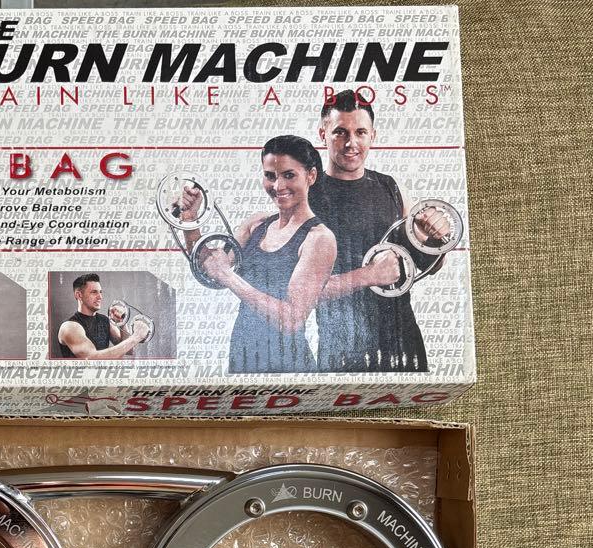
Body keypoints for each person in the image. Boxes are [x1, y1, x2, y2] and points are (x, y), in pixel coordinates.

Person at [309, 89, 453, 371]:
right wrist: (370, 275)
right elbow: (296, 292)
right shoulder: (307, 196)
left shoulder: (390, 187)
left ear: (373, 136)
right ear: (322, 134)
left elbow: (429, 265)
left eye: (360, 132)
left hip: (403, 341)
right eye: (340, 132)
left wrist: (435, 238)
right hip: (343, 346)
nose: (351, 143)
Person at [180, 136, 336, 374]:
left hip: (288, 366)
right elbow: (210, 269)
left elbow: (292, 319)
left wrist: (228, 277)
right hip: (242, 354)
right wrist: (190, 219)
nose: (278, 186)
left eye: (289, 175)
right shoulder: (256, 224)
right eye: (270, 176)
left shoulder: (319, 238)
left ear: (311, 176)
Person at [57, 274, 148, 360]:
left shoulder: (104, 320)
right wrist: (136, 337)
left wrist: (122, 323)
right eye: (94, 292)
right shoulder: (69, 327)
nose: (100, 297)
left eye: (100, 292)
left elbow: (128, 350)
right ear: (79, 295)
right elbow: (91, 358)